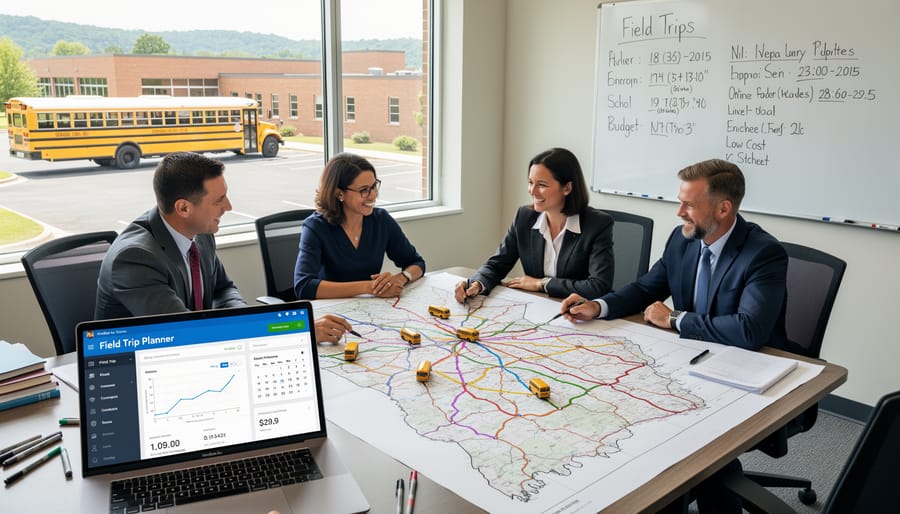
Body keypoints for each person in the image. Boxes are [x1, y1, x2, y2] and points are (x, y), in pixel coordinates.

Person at [560, 158, 789, 513]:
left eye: (689, 205)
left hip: (744, 372)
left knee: (680, 444)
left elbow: (749, 329)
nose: (679, 211)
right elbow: (645, 289)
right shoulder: (682, 241)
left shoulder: (763, 254)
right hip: (688, 364)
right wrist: (599, 306)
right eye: (679, 201)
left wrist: (677, 319)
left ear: (724, 208)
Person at [94, 152, 349, 343]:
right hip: (140, 367)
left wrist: (241, 319)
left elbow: (223, 288)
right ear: (183, 208)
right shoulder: (134, 258)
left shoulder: (200, 232)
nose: (228, 206)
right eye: (219, 200)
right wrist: (296, 330)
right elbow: (185, 330)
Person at [454, 147, 614, 303]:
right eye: (530, 182)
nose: (532, 191)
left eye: (542, 185)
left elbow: (599, 286)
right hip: (537, 308)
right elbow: (498, 264)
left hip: (577, 314)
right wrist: (477, 283)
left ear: (567, 188)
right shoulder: (525, 217)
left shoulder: (597, 225)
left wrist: (541, 284)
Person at [293, 153, 426, 303]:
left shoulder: (381, 220)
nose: (373, 195)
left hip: (370, 308)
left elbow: (417, 263)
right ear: (339, 193)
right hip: (331, 312)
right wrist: (369, 287)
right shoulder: (316, 227)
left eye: (374, 186)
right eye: (364, 190)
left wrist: (400, 279)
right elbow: (304, 286)